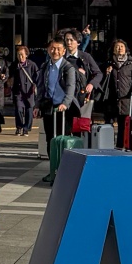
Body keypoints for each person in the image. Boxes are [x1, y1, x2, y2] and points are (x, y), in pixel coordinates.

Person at [38, 39, 79, 179]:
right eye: (53, 48)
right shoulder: (45, 67)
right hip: (49, 107)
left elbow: (70, 88)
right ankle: (53, 168)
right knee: (51, 140)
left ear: (63, 51)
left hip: (64, 110)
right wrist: (37, 106)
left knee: (63, 139)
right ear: (49, 50)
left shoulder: (68, 68)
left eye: (58, 49)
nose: (55, 51)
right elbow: (40, 88)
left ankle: (64, 171)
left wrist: (65, 103)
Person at [104, 39, 132, 140]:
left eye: (121, 47)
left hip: (125, 97)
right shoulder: (109, 62)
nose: (119, 49)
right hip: (111, 97)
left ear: (126, 49)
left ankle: (121, 144)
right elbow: (101, 78)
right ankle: (108, 143)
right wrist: (106, 72)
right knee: (108, 122)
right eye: (117, 47)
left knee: (123, 123)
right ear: (113, 50)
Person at [63, 30, 101, 120]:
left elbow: (98, 73)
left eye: (71, 40)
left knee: (80, 126)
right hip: (64, 96)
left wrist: (91, 84)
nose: (69, 42)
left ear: (78, 42)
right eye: (67, 40)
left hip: (82, 96)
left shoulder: (85, 56)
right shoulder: (61, 57)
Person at [11, 44, 40, 137]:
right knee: (19, 109)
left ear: (26, 55)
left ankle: (26, 128)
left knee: (29, 110)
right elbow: (9, 75)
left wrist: (35, 85)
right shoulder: (15, 65)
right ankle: (19, 127)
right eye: (19, 55)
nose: (20, 57)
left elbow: (37, 76)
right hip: (18, 91)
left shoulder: (32, 65)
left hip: (29, 92)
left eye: (22, 54)